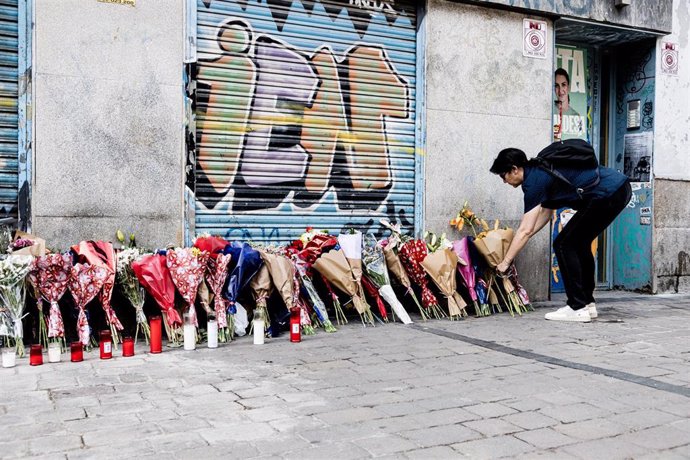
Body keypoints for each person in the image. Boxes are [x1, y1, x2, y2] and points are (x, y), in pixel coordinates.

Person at [490, 147, 631, 322]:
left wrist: (505, 262)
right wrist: (523, 238)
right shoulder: (540, 171)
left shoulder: (533, 182)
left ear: (514, 169)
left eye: (503, 176)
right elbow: (544, 215)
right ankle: (587, 303)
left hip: (607, 194)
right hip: (617, 189)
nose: (504, 181)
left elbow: (525, 230)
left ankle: (577, 307)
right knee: (579, 243)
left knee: (564, 244)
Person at [553, 68, 584, 140]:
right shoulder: (549, 111)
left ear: (568, 87)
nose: (560, 91)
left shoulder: (577, 116)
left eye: (563, 85)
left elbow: (580, 141)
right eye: (557, 85)